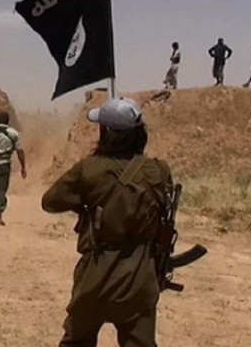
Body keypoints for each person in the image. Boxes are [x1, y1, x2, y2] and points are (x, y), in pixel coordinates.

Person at [42, 96, 173, 347]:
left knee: (78, 340)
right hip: (141, 274)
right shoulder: (160, 171)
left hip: (97, 271)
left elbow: (50, 201)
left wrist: (84, 205)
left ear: (107, 132)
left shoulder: (89, 169)